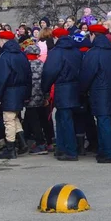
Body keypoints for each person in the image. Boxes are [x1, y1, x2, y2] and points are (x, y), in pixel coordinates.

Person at [80, 24, 111, 163]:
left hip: (99, 92)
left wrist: (81, 90)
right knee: (109, 122)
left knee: (103, 122)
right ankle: (104, 150)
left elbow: (87, 74)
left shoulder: (93, 53)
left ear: (93, 35)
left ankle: (110, 153)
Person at [41, 28, 82, 160]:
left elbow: (49, 72)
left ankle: (70, 151)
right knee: (64, 118)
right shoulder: (76, 51)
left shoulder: (56, 52)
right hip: (76, 88)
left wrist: (45, 89)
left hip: (63, 88)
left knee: (65, 119)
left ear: (56, 38)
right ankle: (62, 147)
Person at [0, 30, 31, 159]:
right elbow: (29, 75)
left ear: (3, 41)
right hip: (21, 91)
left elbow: (1, 78)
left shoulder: (5, 56)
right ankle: (22, 143)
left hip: (10, 92)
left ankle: (10, 149)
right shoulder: (22, 54)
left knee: (8, 120)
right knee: (14, 118)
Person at [23, 45, 47, 155]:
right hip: (40, 95)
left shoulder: (26, 65)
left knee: (34, 120)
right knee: (38, 118)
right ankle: (27, 138)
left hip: (30, 96)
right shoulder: (42, 64)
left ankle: (40, 143)